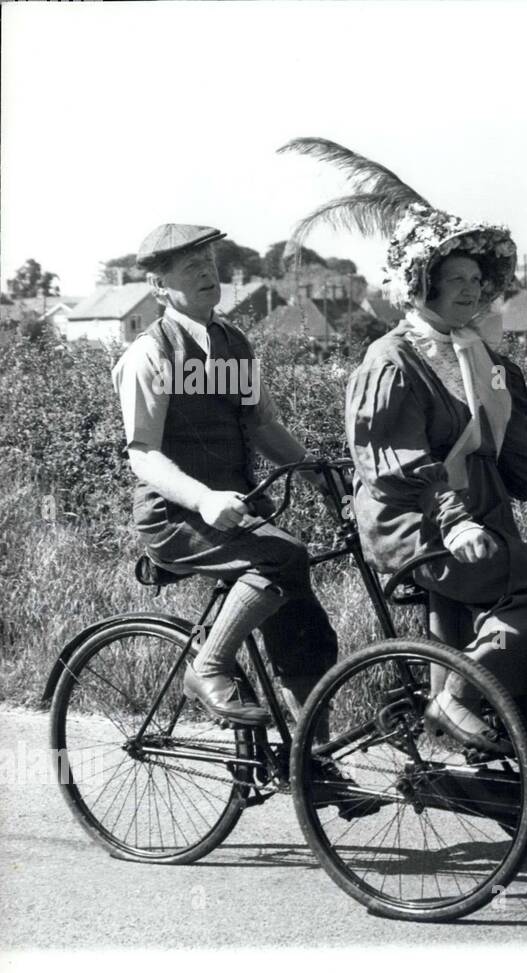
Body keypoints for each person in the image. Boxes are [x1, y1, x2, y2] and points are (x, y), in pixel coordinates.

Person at [345, 202, 527, 818]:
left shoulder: (480, 359)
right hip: (414, 519)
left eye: (477, 280)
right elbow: (398, 460)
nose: (472, 291)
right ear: (422, 283)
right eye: (456, 280)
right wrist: (455, 518)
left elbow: (514, 455)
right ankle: (455, 698)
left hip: (481, 515)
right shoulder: (392, 361)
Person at [112, 223, 339, 729]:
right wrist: (204, 499)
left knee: (305, 626)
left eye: (209, 262)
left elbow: (262, 424)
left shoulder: (232, 342)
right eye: (189, 266)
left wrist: (321, 479)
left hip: (238, 511)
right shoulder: (150, 354)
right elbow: (143, 454)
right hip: (174, 516)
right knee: (283, 556)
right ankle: (207, 667)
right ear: (158, 285)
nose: (205, 272)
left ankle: (312, 762)